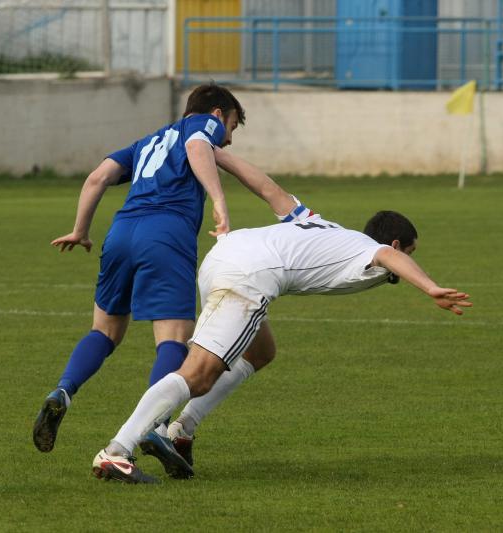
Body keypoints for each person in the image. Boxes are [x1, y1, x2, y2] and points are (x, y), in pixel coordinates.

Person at [89, 188, 472, 483]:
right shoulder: (372, 252)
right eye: (412, 251)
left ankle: (181, 429)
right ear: (396, 243)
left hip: (224, 255)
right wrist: (430, 287)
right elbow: (390, 258)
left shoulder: (324, 224)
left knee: (261, 350)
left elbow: (269, 188)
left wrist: (221, 159)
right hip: (249, 275)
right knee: (199, 375)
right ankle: (118, 449)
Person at [32, 84, 291, 453]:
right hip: (166, 235)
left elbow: (97, 178)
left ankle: (63, 390)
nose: (229, 139)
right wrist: (219, 201)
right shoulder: (204, 125)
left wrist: (80, 230)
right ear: (218, 113)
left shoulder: (146, 142)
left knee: (104, 331)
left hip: (121, 231)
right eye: (232, 126)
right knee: (171, 339)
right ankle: (157, 424)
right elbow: (197, 147)